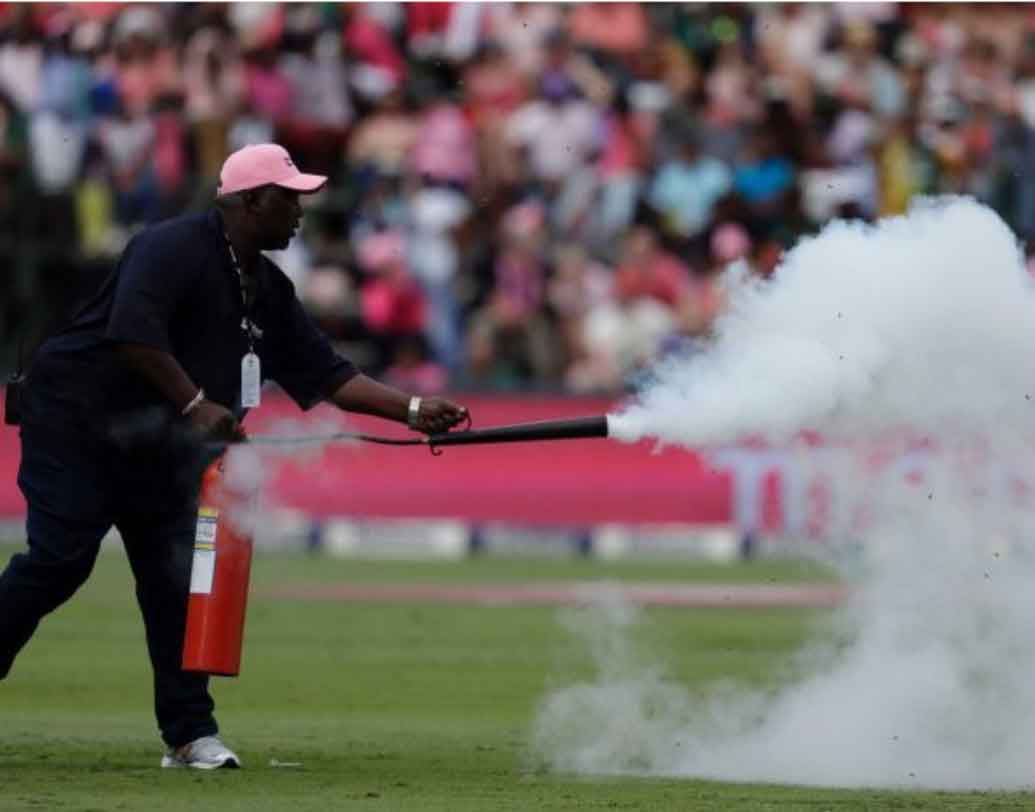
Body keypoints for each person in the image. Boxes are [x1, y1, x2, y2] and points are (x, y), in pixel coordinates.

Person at [0, 143, 469, 769]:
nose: (302, 211)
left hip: (159, 448)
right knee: (60, 562)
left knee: (173, 583)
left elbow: (329, 375)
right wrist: (196, 403)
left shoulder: (268, 288)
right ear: (250, 202)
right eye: (290, 197)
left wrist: (413, 411)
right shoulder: (168, 246)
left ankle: (190, 734)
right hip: (77, 427)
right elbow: (133, 333)